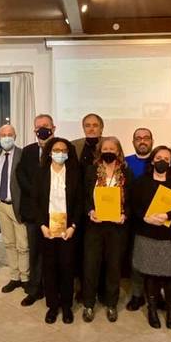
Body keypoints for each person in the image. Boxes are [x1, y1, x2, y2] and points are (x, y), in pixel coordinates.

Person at [131, 146, 171, 329]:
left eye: (166, 158)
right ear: (152, 160)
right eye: (158, 157)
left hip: (170, 236)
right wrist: (144, 217)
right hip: (148, 234)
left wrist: (167, 215)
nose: (162, 161)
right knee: (151, 275)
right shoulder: (141, 181)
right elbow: (133, 205)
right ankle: (152, 310)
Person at [82, 137, 133, 323]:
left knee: (113, 267)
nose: (109, 151)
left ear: (118, 151)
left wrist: (125, 215)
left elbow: (132, 200)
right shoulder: (91, 171)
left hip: (117, 228)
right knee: (91, 266)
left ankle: (111, 304)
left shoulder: (126, 173)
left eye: (112, 148)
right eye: (105, 148)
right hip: (95, 226)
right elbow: (84, 196)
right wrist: (90, 211)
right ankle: (89, 304)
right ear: (100, 151)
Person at [34, 137, 82, 324]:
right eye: (56, 150)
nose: (60, 153)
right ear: (49, 152)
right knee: (50, 267)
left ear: (68, 153)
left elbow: (79, 203)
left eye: (63, 150)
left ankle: (67, 306)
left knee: (67, 267)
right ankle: (53, 306)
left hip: (68, 229)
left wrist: (73, 226)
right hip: (47, 228)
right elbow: (35, 202)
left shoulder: (74, 173)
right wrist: (42, 225)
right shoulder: (41, 173)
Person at [16, 114, 56, 306]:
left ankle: (52, 289)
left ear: (53, 128)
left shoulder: (62, 149)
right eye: (39, 127)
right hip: (33, 211)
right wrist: (36, 193)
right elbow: (21, 174)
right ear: (34, 130)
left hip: (56, 212)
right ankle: (34, 289)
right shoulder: (28, 151)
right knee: (35, 251)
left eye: (46, 126)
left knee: (54, 253)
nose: (42, 129)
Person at [0, 124, 29, 293]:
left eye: (10, 134)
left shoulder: (23, 155)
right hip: (0, 204)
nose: (6, 137)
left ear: (15, 136)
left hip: (17, 205)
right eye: (3, 134)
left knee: (23, 245)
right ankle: (14, 277)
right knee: (8, 243)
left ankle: (25, 277)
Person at [71, 113, 104, 302]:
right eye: (87, 125)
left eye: (95, 125)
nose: (91, 128)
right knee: (80, 251)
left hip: (102, 208)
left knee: (99, 252)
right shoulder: (74, 146)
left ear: (101, 128)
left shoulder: (109, 145)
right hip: (79, 205)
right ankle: (82, 288)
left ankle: (100, 288)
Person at [124, 127, 154, 310]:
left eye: (146, 138)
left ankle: (155, 294)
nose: (142, 141)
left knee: (155, 258)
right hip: (133, 218)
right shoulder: (124, 163)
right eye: (138, 138)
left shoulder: (160, 160)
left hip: (156, 218)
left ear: (152, 141)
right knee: (136, 257)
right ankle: (137, 295)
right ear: (133, 142)